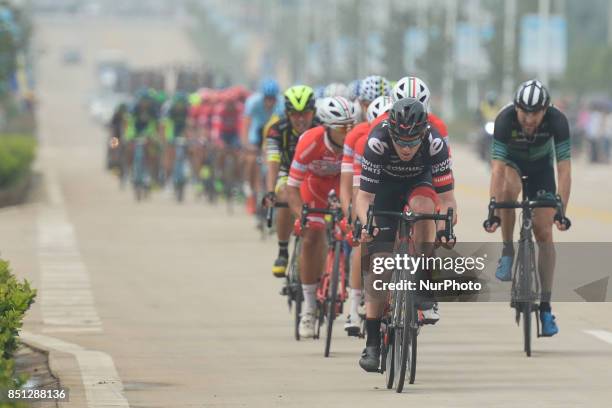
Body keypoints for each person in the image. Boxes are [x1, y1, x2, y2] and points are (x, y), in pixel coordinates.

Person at [353, 98, 457, 372]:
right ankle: (373, 342)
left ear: (424, 132)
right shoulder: (377, 141)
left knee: (424, 209)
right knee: (380, 266)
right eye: (401, 141)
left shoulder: (435, 142)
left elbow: (447, 200)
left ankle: (423, 279)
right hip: (385, 189)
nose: (407, 148)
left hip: (418, 183)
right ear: (391, 132)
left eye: (413, 141)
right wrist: (366, 224)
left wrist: (446, 228)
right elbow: (363, 198)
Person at [485, 79, 572, 337]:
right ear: (517, 108)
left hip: (541, 170)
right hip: (512, 165)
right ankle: (508, 250)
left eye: (536, 113)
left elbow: (564, 170)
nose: (529, 118)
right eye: (525, 112)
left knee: (544, 233)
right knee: (507, 191)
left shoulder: (558, 120)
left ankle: (545, 306)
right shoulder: (505, 119)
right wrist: (494, 208)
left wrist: (561, 210)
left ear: (546, 110)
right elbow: (497, 170)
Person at [286, 96, 356, 338]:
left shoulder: (357, 142)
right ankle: (309, 307)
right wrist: (301, 216)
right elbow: (292, 187)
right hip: (313, 187)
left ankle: (358, 299)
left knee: (356, 233)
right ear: (327, 126)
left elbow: (361, 187)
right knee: (311, 236)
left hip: (343, 187)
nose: (348, 132)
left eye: (351, 125)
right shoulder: (310, 141)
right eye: (342, 127)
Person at [340, 95, 393, 336]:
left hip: (398, 191)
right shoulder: (362, 140)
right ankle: (353, 307)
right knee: (364, 244)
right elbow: (355, 187)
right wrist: (356, 218)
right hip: (371, 192)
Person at [264, 85, 318, 277]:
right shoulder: (277, 130)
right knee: (285, 195)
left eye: (305, 113)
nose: (301, 119)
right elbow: (273, 163)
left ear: (314, 112)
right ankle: (283, 250)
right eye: (295, 114)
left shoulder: (322, 128)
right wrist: (270, 191)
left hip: (315, 176)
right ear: (287, 113)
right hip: (287, 174)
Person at [241, 79, 283, 214]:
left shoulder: (281, 104)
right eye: (267, 98)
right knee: (251, 160)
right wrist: (246, 144)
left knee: (274, 162)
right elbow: (246, 125)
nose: (270, 102)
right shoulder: (253, 102)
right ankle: (250, 192)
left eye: (272, 99)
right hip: (257, 132)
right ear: (263, 97)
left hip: (273, 133)